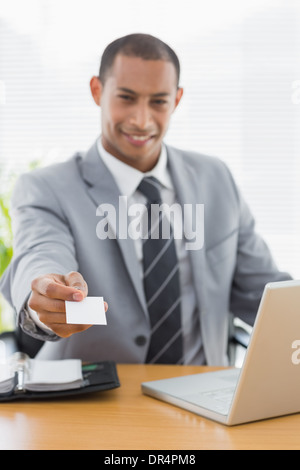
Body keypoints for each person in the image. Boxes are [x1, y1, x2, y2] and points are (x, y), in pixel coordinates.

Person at [0, 33, 291, 365]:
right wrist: (45, 295)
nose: (141, 120)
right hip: (96, 399)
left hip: (205, 394)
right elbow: (39, 255)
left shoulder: (216, 178)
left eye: (158, 101)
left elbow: (263, 293)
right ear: (97, 90)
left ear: (177, 100)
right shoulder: (46, 187)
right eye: (126, 98)